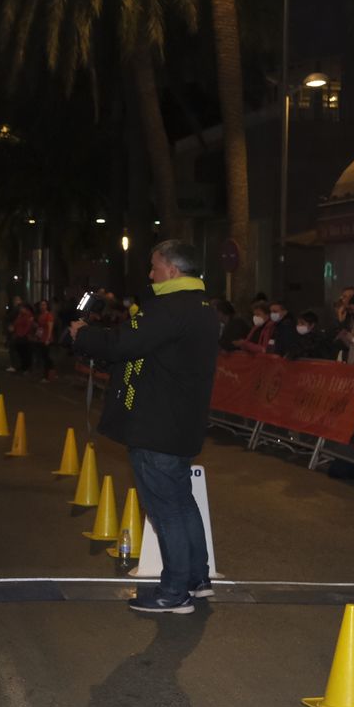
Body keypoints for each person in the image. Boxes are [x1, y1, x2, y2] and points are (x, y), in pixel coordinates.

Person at [70, 240, 220, 614]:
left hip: (157, 424)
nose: (150, 275)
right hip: (182, 423)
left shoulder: (170, 309)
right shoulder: (202, 307)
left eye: (154, 267)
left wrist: (83, 335)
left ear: (171, 269)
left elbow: (124, 343)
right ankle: (197, 579)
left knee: (165, 508)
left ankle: (174, 592)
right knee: (182, 503)